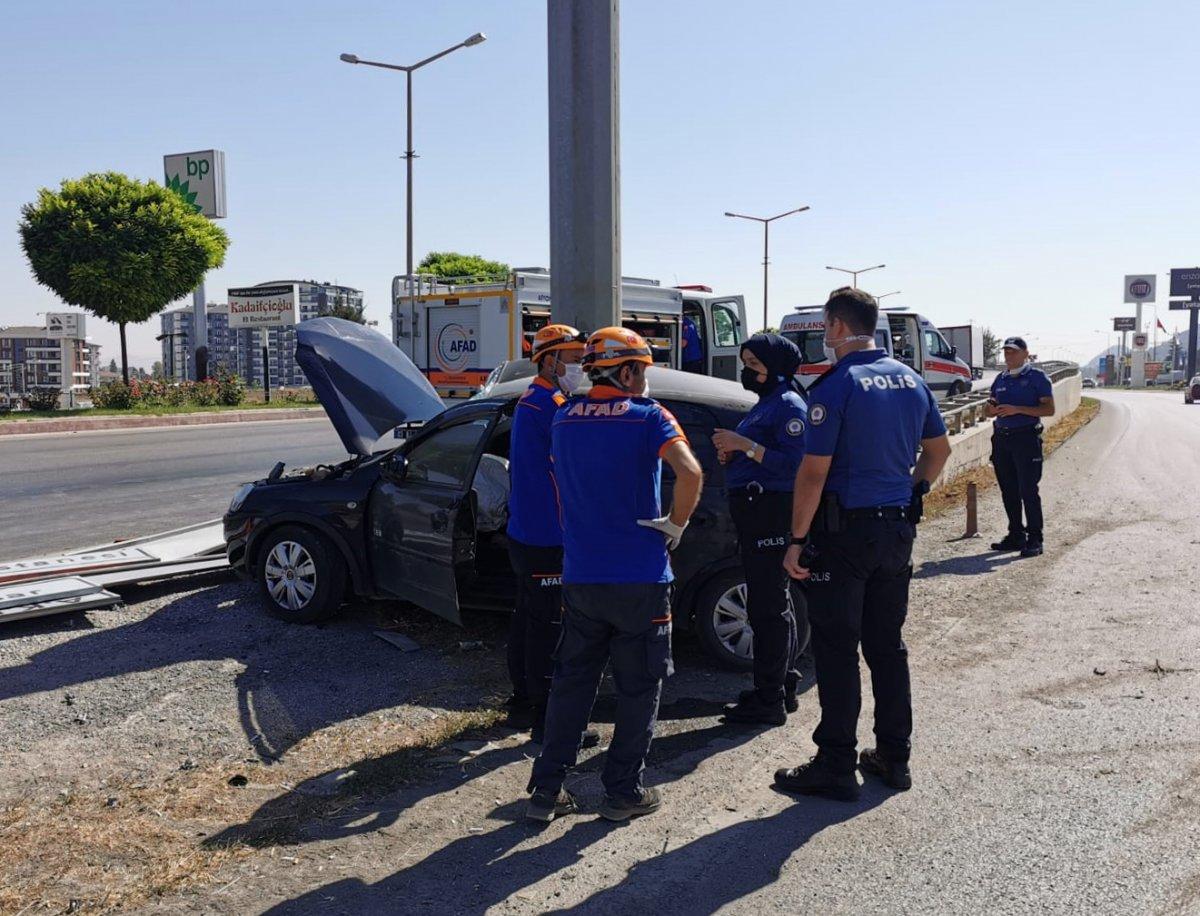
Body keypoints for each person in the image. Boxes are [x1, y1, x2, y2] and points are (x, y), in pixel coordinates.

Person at [776, 287, 951, 801]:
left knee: (836, 647)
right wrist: (911, 492)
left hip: (844, 534)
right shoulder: (910, 379)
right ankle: (894, 757)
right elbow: (937, 453)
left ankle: (835, 763)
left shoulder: (837, 386)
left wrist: (796, 541)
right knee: (887, 647)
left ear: (834, 327)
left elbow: (813, 474)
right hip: (896, 531)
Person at [526, 327, 704, 823]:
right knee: (639, 686)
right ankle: (623, 792)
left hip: (581, 575)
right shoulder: (650, 418)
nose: (644, 379)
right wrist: (676, 524)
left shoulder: (563, 417)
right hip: (640, 577)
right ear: (627, 370)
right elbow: (690, 473)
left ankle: (545, 792)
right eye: (642, 370)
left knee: (572, 684)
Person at [505, 323, 598, 749]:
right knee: (549, 630)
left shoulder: (532, 400)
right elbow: (569, 474)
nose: (580, 366)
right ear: (549, 359)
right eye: (574, 358)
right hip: (548, 536)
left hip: (526, 532)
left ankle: (523, 703)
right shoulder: (553, 405)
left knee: (527, 620)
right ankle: (548, 723)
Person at [711, 333, 808, 727]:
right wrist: (734, 451)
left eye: (754, 364)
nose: (747, 372)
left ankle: (770, 699)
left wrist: (743, 445)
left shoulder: (788, 405)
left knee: (768, 608)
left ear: (776, 367)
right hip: (755, 511)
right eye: (745, 363)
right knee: (768, 604)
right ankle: (779, 684)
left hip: (771, 512)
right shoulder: (766, 404)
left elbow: (796, 464)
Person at [984, 337, 1055, 558]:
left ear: (1025, 354)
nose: (1008, 356)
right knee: (1009, 490)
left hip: (1026, 439)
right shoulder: (1000, 378)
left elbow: (1049, 409)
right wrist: (991, 410)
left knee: (1028, 490)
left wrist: (1017, 409)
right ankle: (1016, 534)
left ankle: (1035, 538)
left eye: (1013, 352)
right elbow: (988, 408)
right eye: (1006, 352)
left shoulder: (1036, 377)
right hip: (1002, 439)